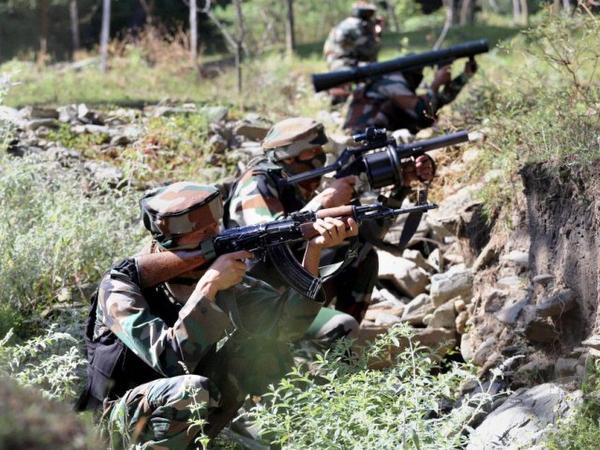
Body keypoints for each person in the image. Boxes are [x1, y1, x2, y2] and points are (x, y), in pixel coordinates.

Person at [76, 181, 358, 449]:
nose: (214, 239)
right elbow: (172, 362)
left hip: (186, 418)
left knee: (262, 350)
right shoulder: (121, 288)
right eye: (201, 237)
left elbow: (287, 326)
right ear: (168, 241)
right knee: (190, 390)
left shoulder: (228, 277)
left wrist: (313, 252)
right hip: (113, 425)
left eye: (215, 229)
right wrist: (209, 287)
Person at [225, 117, 434, 323]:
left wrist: (401, 188)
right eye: (312, 153)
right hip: (253, 295)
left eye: (321, 153)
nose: (320, 160)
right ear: (289, 158)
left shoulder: (296, 182)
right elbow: (267, 239)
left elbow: (367, 234)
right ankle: (300, 334)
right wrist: (324, 201)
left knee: (360, 252)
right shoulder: (256, 183)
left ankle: (337, 343)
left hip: (287, 279)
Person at [344, 57, 478, 134]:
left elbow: (436, 103)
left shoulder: (395, 84)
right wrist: (435, 85)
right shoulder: (392, 82)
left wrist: (465, 76)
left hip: (371, 133)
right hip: (362, 135)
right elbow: (423, 112)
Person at [323, 2, 383, 103]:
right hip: (344, 65)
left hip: (337, 62)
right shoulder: (358, 25)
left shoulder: (348, 23)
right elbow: (370, 52)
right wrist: (377, 34)